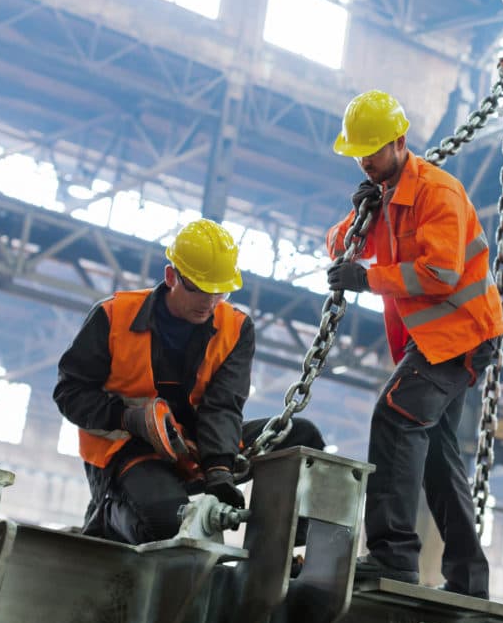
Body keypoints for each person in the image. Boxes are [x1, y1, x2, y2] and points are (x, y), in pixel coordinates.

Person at [326, 90, 503, 599]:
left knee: (396, 416)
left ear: (400, 142)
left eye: (374, 150)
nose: (364, 160)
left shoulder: (436, 193)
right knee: (435, 455)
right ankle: (469, 579)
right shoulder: (381, 196)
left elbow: (442, 271)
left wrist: (367, 280)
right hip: (432, 339)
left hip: (462, 335)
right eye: (358, 153)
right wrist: (354, 217)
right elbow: (338, 246)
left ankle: (392, 555)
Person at [54, 218, 325, 544]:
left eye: (220, 292)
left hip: (196, 444)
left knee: (301, 438)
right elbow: (70, 392)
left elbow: (223, 404)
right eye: (198, 289)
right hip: (126, 451)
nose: (209, 302)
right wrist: (127, 417)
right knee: (170, 525)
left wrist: (219, 467)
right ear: (172, 277)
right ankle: (107, 515)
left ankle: (278, 546)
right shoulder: (113, 316)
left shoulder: (236, 328)